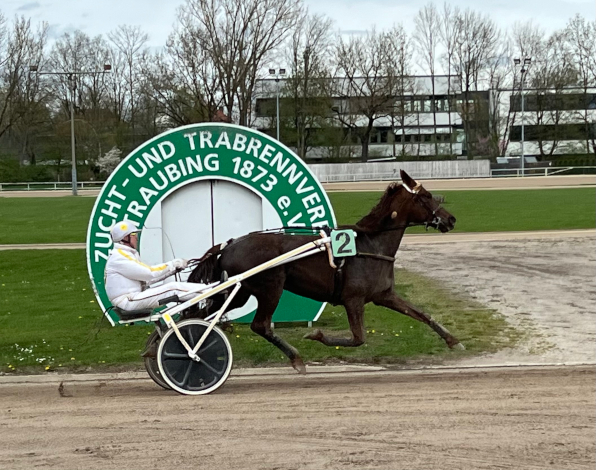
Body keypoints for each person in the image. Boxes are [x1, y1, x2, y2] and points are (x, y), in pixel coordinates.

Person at [105, 220, 207, 312]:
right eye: (133, 234)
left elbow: (146, 281)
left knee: (172, 287)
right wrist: (172, 264)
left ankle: (209, 293)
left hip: (130, 298)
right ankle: (211, 292)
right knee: (173, 288)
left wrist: (172, 271)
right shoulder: (119, 257)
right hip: (127, 301)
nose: (136, 237)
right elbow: (150, 273)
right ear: (125, 238)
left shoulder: (125, 254)